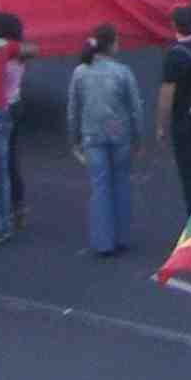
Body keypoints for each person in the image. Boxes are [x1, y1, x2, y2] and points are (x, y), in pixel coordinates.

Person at [65, 27, 146, 258]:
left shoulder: (80, 72)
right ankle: (122, 237)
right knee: (121, 183)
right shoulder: (123, 72)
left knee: (99, 186)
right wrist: (138, 138)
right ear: (111, 45)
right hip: (120, 133)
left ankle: (103, 241)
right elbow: (135, 108)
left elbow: (73, 108)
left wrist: (74, 139)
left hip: (92, 134)